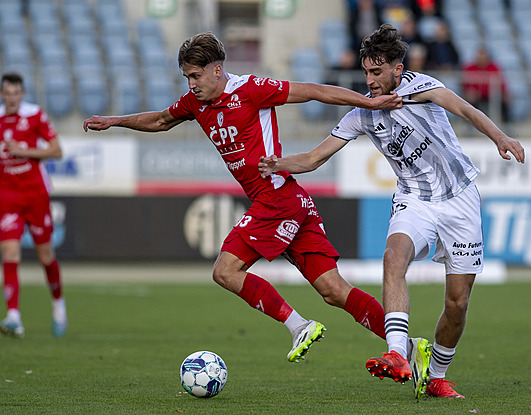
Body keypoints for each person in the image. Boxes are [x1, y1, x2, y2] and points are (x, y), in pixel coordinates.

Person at [83, 32, 403, 363]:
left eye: (196, 76)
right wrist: (116, 121)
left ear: (217, 70)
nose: (192, 84)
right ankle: (406, 347)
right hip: (289, 199)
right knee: (333, 290)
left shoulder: (250, 90)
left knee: (225, 271)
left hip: (276, 197)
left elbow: (315, 91)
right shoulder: (195, 103)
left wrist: (367, 102)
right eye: (187, 77)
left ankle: (299, 326)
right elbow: (162, 120)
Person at [259, 24, 524, 399]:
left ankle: (436, 376)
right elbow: (315, 158)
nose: (369, 80)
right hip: (414, 198)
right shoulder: (361, 113)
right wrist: (277, 163)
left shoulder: (420, 88)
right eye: (366, 72)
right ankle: (398, 353)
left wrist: (501, 137)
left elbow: (464, 108)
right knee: (393, 258)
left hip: (459, 198)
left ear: (398, 69)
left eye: (377, 72)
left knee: (457, 302)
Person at [0, 72, 67, 339]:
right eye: (8, 93)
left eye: (17, 92)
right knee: (9, 252)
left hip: (35, 194)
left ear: (23, 94)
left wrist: (24, 151)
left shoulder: (35, 115)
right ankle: (14, 316)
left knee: (45, 256)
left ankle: (58, 303)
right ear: (3, 94)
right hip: (7, 196)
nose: (13, 97)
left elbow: (56, 150)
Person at [461, 46, 511, 123]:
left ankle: (506, 125)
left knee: (504, 102)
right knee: (468, 103)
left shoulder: (494, 67)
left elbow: (501, 82)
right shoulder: (470, 68)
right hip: (476, 96)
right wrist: (468, 92)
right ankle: (469, 126)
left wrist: (504, 93)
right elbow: (465, 84)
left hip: (491, 95)